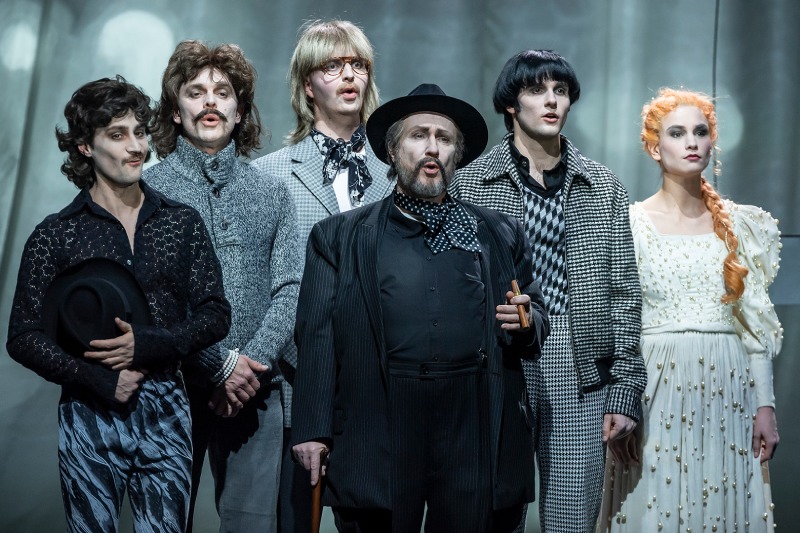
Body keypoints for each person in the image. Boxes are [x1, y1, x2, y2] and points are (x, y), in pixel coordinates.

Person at [290, 83, 549, 533]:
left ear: (457, 155)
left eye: (444, 139)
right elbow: (316, 337)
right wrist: (312, 429)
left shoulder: (498, 231)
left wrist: (527, 322)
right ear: (392, 152)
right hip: (381, 412)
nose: (432, 148)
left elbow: (535, 311)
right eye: (418, 135)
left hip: (471, 413)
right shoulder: (338, 236)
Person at [5, 76, 231, 532]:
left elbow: (215, 313)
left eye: (140, 132)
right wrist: (96, 378)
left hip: (167, 404)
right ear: (86, 147)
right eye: (117, 134)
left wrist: (146, 344)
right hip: (89, 407)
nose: (136, 147)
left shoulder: (180, 222)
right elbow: (22, 335)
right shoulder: (57, 234)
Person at [450, 49, 648, 532]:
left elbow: (624, 291)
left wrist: (625, 387)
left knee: (571, 518)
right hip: (501, 361)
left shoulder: (602, 185)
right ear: (511, 103)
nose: (552, 101)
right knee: (493, 512)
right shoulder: (471, 184)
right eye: (537, 90)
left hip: (580, 362)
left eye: (560, 91)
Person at [595, 88, 782, 532]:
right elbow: (617, 322)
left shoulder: (740, 225)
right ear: (654, 147)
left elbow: (754, 323)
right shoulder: (630, 223)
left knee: (722, 501)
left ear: (712, 143)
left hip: (729, 385)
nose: (691, 142)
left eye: (700, 132)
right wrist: (619, 401)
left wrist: (766, 405)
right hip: (655, 384)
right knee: (652, 506)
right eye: (677, 133)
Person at [144, 41, 302, 532]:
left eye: (223, 92)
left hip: (256, 393)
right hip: (169, 389)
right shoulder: (147, 191)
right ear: (176, 111)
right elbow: (149, 300)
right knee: (164, 523)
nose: (210, 101)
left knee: (253, 526)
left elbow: (291, 286)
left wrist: (250, 365)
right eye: (195, 92)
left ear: (239, 110)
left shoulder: (272, 192)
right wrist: (218, 365)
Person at [251, 19, 391, 533]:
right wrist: (308, 364)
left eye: (357, 65)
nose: (349, 76)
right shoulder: (269, 173)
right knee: (293, 521)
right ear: (308, 84)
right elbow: (263, 287)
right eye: (332, 66)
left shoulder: (397, 172)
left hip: (380, 390)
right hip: (295, 385)